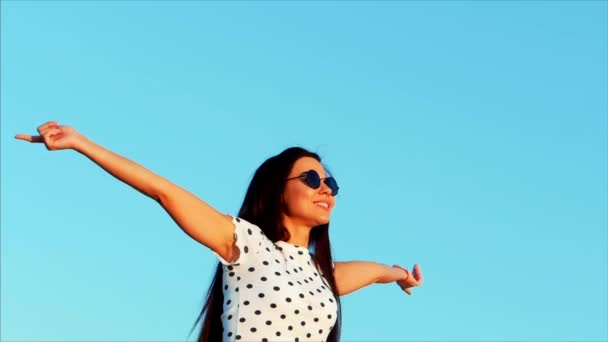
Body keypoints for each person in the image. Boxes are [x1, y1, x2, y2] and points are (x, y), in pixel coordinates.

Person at [16, 121, 424, 342]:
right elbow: (162, 190)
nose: (325, 189)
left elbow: (370, 271)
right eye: (312, 178)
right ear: (276, 188)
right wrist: (83, 143)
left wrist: (398, 276)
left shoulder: (322, 276)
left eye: (331, 183)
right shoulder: (245, 243)